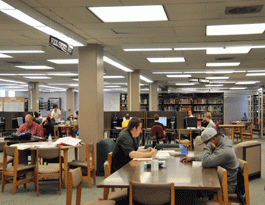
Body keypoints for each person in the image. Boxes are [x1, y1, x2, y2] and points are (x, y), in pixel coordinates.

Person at [180, 128, 239, 194]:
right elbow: (211, 158)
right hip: (221, 181)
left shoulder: (224, 151)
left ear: (213, 138)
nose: (205, 145)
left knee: (189, 191)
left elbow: (206, 162)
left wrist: (208, 145)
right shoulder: (221, 144)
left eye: (206, 143)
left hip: (226, 187)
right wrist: (193, 158)